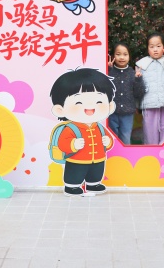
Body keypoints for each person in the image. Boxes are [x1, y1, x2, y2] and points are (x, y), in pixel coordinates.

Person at [49, 68, 116, 196]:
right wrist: (73, 144)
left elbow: (109, 141)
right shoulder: (71, 128)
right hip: (76, 159)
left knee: (96, 173)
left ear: (110, 106)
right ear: (60, 110)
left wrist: (108, 142)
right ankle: (72, 187)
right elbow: (63, 143)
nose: (90, 107)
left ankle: (93, 184)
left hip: (98, 159)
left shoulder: (99, 127)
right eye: (79, 102)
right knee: (75, 174)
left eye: (99, 101)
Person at [135, 33, 164, 145]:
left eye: (158, 46)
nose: (155, 49)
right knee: (150, 134)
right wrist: (137, 79)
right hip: (149, 104)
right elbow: (138, 87)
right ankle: (151, 154)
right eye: (152, 46)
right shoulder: (141, 64)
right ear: (147, 48)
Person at [107, 42, 146, 145]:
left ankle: (124, 155)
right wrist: (108, 70)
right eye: (118, 54)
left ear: (129, 56)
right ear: (113, 56)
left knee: (125, 138)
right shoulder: (109, 72)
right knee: (112, 138)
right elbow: (103, 88)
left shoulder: (133, 73)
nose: (122, 57)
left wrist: (138, 80)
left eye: (125, 54)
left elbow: (139, 94)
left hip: (128, 114)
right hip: (111, 112)